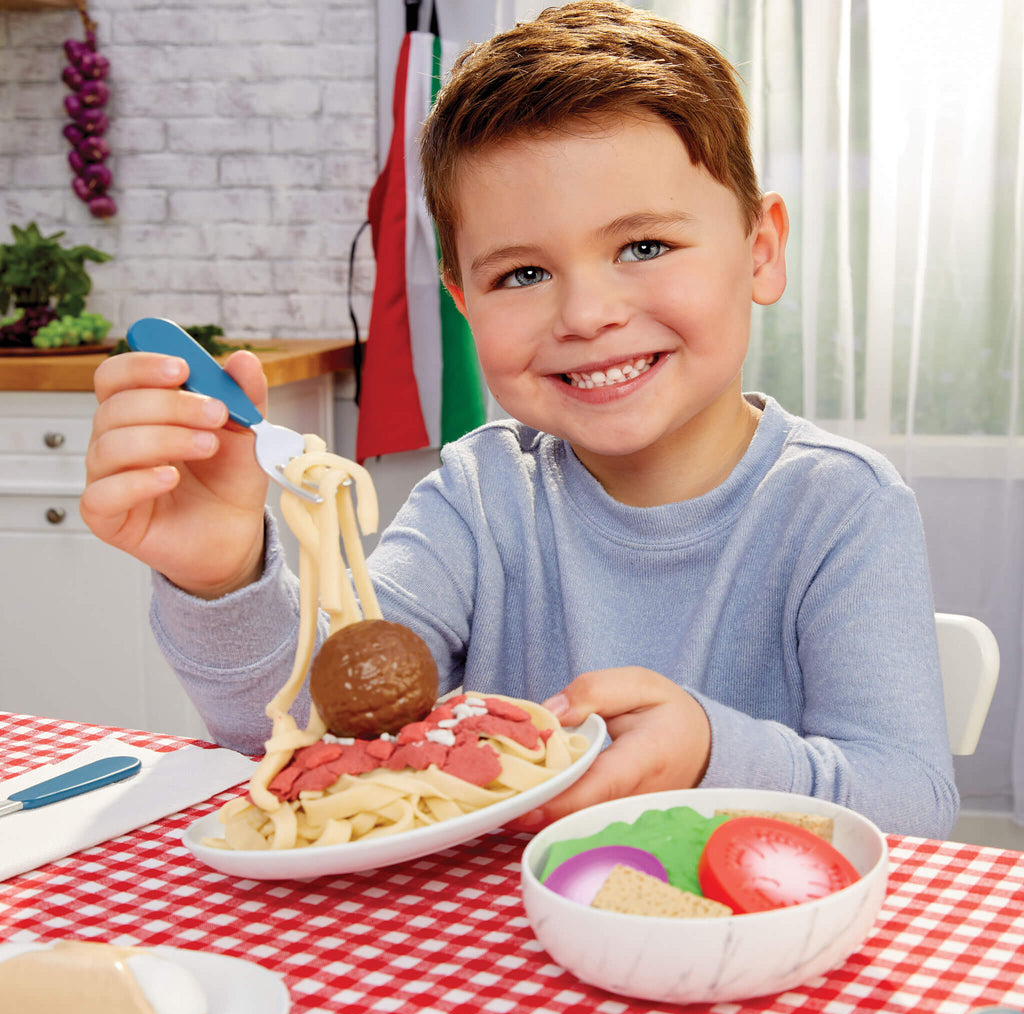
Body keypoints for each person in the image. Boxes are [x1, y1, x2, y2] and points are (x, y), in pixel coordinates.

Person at [80, 1, 958, 838]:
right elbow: (320, 735)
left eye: (644, 246)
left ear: (760, 251)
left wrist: (709, 752)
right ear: (465, 304)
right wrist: (221, 576)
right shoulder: (478, 495)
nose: (585, 314)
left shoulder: (841, 507)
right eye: (521, 275)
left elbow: (913, 802)